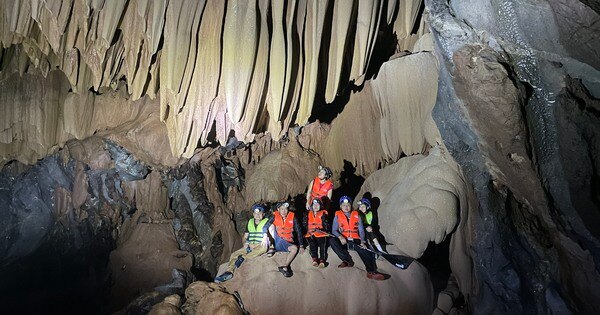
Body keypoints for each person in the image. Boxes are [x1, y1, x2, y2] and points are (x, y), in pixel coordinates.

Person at [330, 196, 388, 280]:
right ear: (340, 206)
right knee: (332, 240)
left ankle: (371, 272)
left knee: (365, 250)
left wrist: (362, 241)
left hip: (355, 240)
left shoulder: (357, 215)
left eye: (348, 205)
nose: (346, 207)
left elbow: (361, 230)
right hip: (344, 240)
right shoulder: (337, 216)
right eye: (344, 205)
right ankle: (346, 261)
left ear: (351, 206)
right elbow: (334, 230)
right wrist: (340, 237)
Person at [214, 204, 270, 283]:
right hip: (250, 245)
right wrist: (245, 244)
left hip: (260, 245)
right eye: (256, 213)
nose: (257, 215)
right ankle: (229, 272)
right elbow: (245, 236)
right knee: (234, 254)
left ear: (263, 214)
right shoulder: (250, 222)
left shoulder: (267, 222)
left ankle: (244, 258)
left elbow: (270, 234)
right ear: (253, 214)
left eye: (260, 213)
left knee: (264, 248)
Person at [265, 201, 306, 277]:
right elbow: (265, 226)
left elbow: (298, 231)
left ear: (288, 209)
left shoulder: (293, 217)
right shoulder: (274, 216)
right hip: (276, 240)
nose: (284, 211)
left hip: (287, 242)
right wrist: (265, 237)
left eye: (285, 209)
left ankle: (285, 266)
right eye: (282, 209)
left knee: (294, 248)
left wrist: (301, 245)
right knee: (271, 226)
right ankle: (271, 247)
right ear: (278, 209)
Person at [303, 198, 329, 268]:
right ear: (311, 206)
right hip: (311, 233)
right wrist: (307, 231)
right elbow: (304, 225)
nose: (316, 206)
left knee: (322, 244)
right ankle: (314, 259)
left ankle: (322, 260)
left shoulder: (323, 214)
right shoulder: (307, 214)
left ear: (321, 206)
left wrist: (322, 229)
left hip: (320, 233)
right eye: (314, 205)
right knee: (311, 243)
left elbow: (327, 225)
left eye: (318, 205)